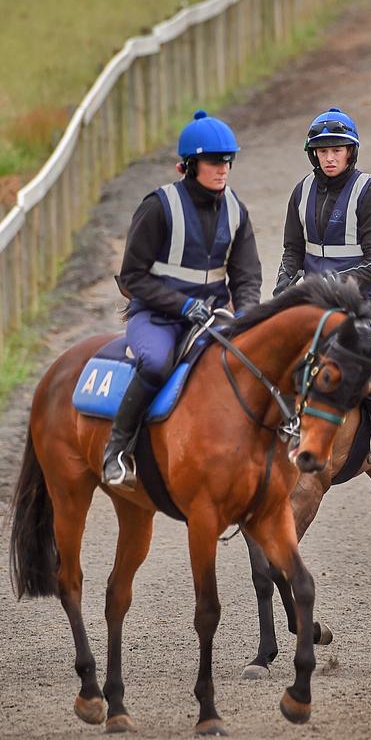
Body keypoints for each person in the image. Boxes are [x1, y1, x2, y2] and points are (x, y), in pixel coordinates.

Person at [102, 109, 262, 489]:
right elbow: (133, 277)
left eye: (227, 161)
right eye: (213, 162)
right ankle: (117, 450)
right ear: (190, 166)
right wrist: (182, 305)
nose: (222, 169)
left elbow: (248, 277)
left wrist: (249, 317)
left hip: (214, 317)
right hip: (158, 317)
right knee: (157, 363)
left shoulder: (236, 210)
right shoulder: (158, 207)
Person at [274, 107, 371, 464]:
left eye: (337, 150)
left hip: (361, 301)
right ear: (313, 154)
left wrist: (336, 284)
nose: (330, 157)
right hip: (313, 299)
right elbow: (293, 250)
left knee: (351, 344)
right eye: (323, 150)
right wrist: (284, 282)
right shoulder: (301, 192)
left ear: (351, 152)